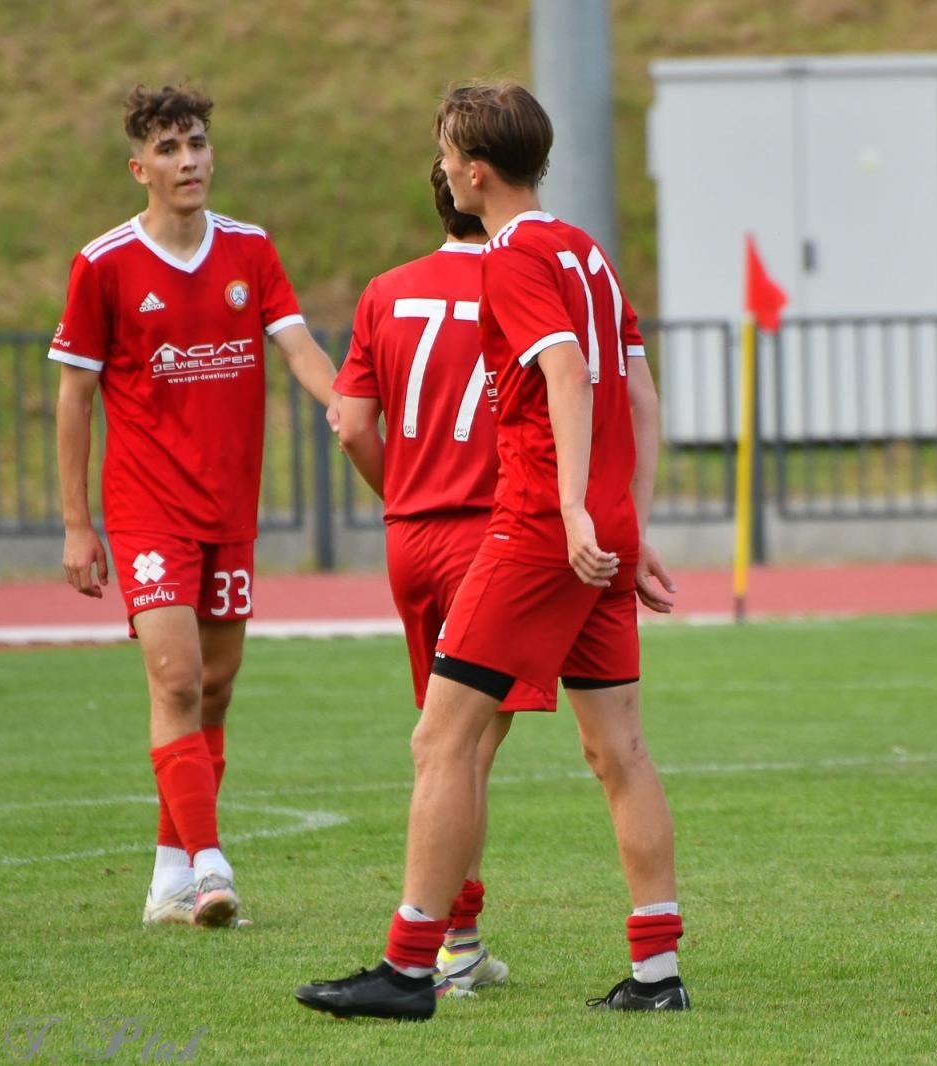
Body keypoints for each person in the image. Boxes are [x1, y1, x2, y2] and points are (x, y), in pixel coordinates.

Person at [295, 81, 684, 1021]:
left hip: (538, 533)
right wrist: (626, 521)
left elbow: (563, 376)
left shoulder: (510, 256)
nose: (439, 168)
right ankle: (657, 974)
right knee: (619, 748)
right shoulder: (587, 251)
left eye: (442, 152)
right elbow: (639, 392)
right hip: (596, 532)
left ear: (472, 172)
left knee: (444, 735)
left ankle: (409, 967)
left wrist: (571, 514)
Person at [52, 84, 339, 929]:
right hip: (147, 509)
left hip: (229, 509)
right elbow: (75, 398)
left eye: (199, 144)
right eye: (170, 150)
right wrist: (77, 523)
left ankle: (168, 876)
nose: (189, 162)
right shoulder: (103, 262)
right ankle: (211, 866)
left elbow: (299, 346)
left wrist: (344, 403)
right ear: (138, 167)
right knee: (174, 679)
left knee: (214, 688)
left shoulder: (250, 249)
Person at [333, 156, 560, 998]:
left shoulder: (384, 290)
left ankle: (454, 940)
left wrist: (405, 494)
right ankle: (451, 945)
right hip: (493, 538)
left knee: (447, 743)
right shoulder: (522, 276)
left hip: (410, 539)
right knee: (466, 749)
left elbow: (353, 425)